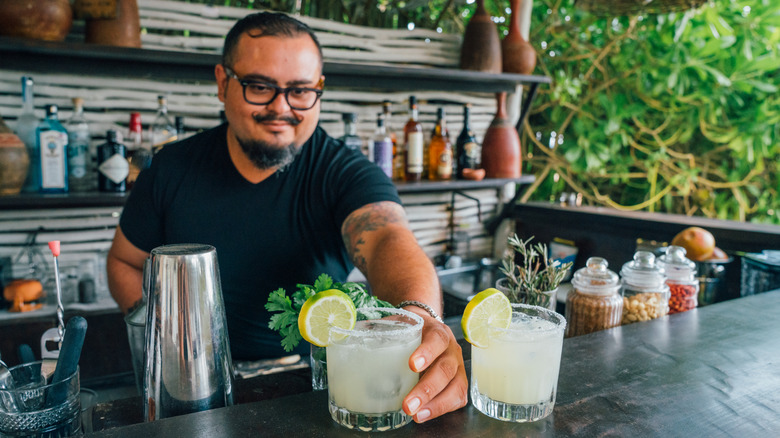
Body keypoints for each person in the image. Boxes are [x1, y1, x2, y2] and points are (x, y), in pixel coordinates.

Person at [106, 12, 467, 423]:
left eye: (300, 91)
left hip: (308, 384)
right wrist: (165, 343)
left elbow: (387, 237)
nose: (281, 108)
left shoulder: (343, 171)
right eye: (259, 87)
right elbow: (123, 262)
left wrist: (419, 315)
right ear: (223, 83)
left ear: (319, 90)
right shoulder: (170, 169)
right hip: (190, 390)